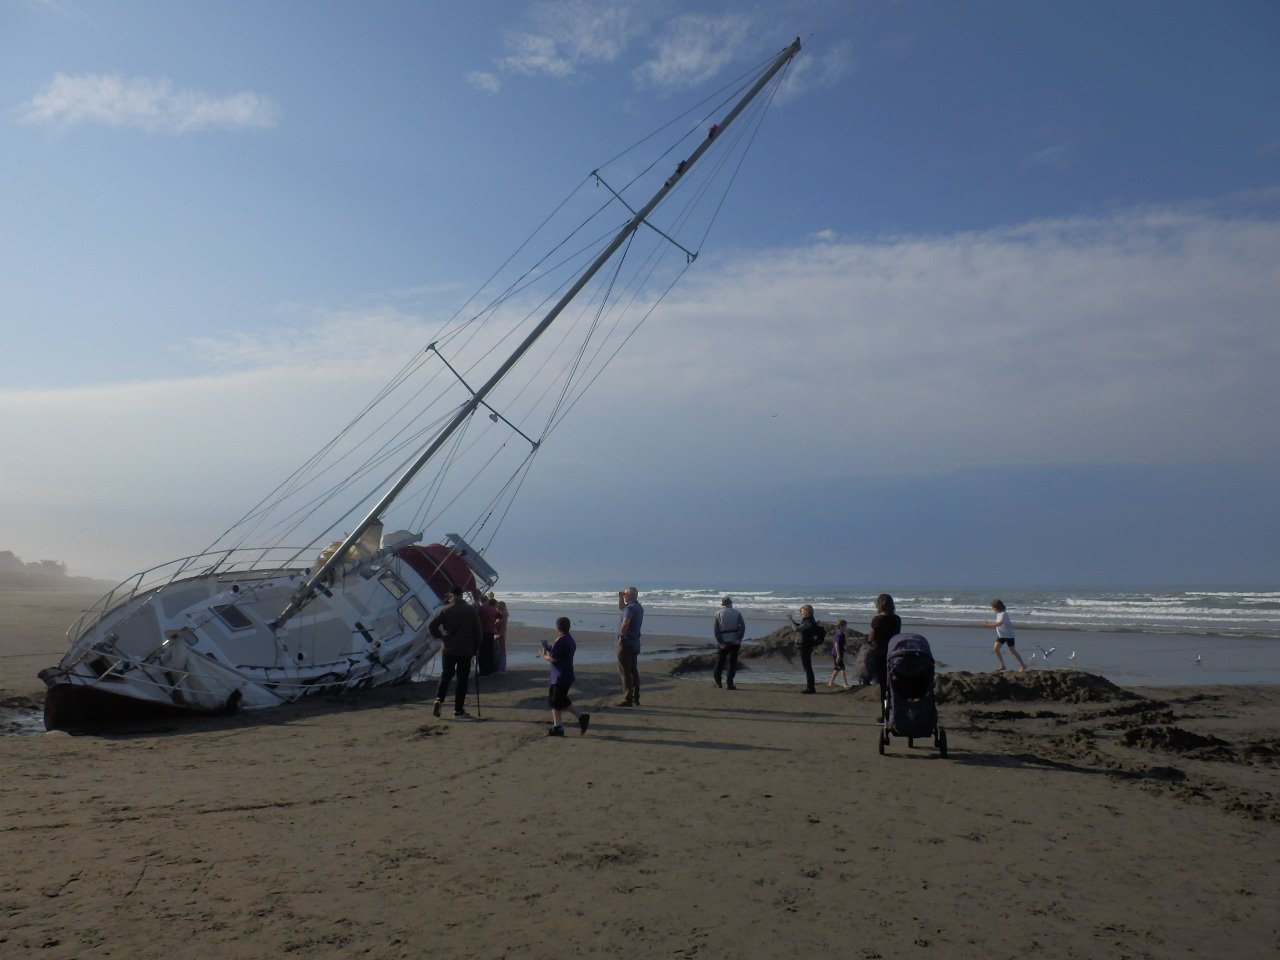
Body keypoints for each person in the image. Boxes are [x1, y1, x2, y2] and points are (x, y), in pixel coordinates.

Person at [428, 586, 482, 719]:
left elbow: (431, 626)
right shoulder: (470, 610)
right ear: (462, 596)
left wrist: (441, 636)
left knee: (446, 675)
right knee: (462, 680)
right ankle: (458, 710)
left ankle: (439, 699)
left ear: (453, 595)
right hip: (465, 650)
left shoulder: (446, 610)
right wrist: (476, 647)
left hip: (448, 648)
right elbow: (478, 631)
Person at [541, 616, 590, 736]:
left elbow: (554, 659)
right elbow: (561, 653)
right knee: (555, 701)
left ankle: (581, 716)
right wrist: (551, 650)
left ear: (557, 628)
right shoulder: (569, 639)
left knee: (559, 700)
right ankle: (558, 727)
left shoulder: (561, 640)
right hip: (561, 674)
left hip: (561, 675)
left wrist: (544, 655)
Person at [867, 594, 902, 723]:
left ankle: (885, 714)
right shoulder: (897, 619)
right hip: (894, 653)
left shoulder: (877, 620)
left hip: (881, 654)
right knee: (894, 685)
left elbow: (871, 638)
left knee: (884, 686)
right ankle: (897, 711)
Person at [615, 586, 644, 706]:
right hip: (635, 642)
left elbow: (625, 622)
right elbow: (621, 607)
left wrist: (622, 636)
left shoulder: (630, 608)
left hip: (626, 643)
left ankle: (628, 698)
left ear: (631, 596)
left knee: (625, 671)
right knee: (633, 670)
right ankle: (635, 697)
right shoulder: (638, 607)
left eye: (626, 595)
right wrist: (620, 597)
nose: (624, 596)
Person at [786, 604, 823, 694]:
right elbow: (799, 627)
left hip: (806, 646)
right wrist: (792, 620)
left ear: (807, 612)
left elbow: (797, 629)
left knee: (807, 667)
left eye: (802, 612)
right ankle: (810, 687)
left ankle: (811, 688)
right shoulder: (807, 621)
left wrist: (790, 620)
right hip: (805, 646)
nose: (801, 614)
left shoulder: (809, 622)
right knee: (807, 667)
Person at [984, 599, 1027, 672]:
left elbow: (999, 623)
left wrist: (988, 624)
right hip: (1001, 635)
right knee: (996, 649)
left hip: (1009, 635)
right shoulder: (999, 614)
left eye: (993, 608)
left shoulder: (1004, 614)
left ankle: (1023, 665)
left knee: (1013, 651)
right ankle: (1002, 665)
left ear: (996, 607)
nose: (992, 609)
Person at [712, 596, 746, 690]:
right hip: (735, 641)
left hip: (723, 640)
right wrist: (739, 638)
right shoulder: (737, 613)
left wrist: (720, 642)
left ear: (723, 605)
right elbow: (742, 627)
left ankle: (718, 682)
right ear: (730, 604)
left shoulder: (718, 614)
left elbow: (716, 630)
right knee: (732, 662)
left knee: (720, 662)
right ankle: (729, 683)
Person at [827, 618, 850, 689]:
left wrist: (847, 648)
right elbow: (836, 644)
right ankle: (845, 684)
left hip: (838, 653)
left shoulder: (842, 634)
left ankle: (830, 682)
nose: (846, 627)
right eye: (845, 626)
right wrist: (838, 655)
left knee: (837, 669)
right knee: (842, 668)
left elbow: (843, 643)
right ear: (841, 627)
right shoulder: (839, 634)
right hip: (837, 654)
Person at [494, 598, 509, 675]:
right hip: (502, 633)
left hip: (500, 634)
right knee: (501, 651)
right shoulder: (505, 615)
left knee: (501, 651)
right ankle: (502, 668)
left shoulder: (501, 616)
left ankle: (502, 668)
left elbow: (496, 624)